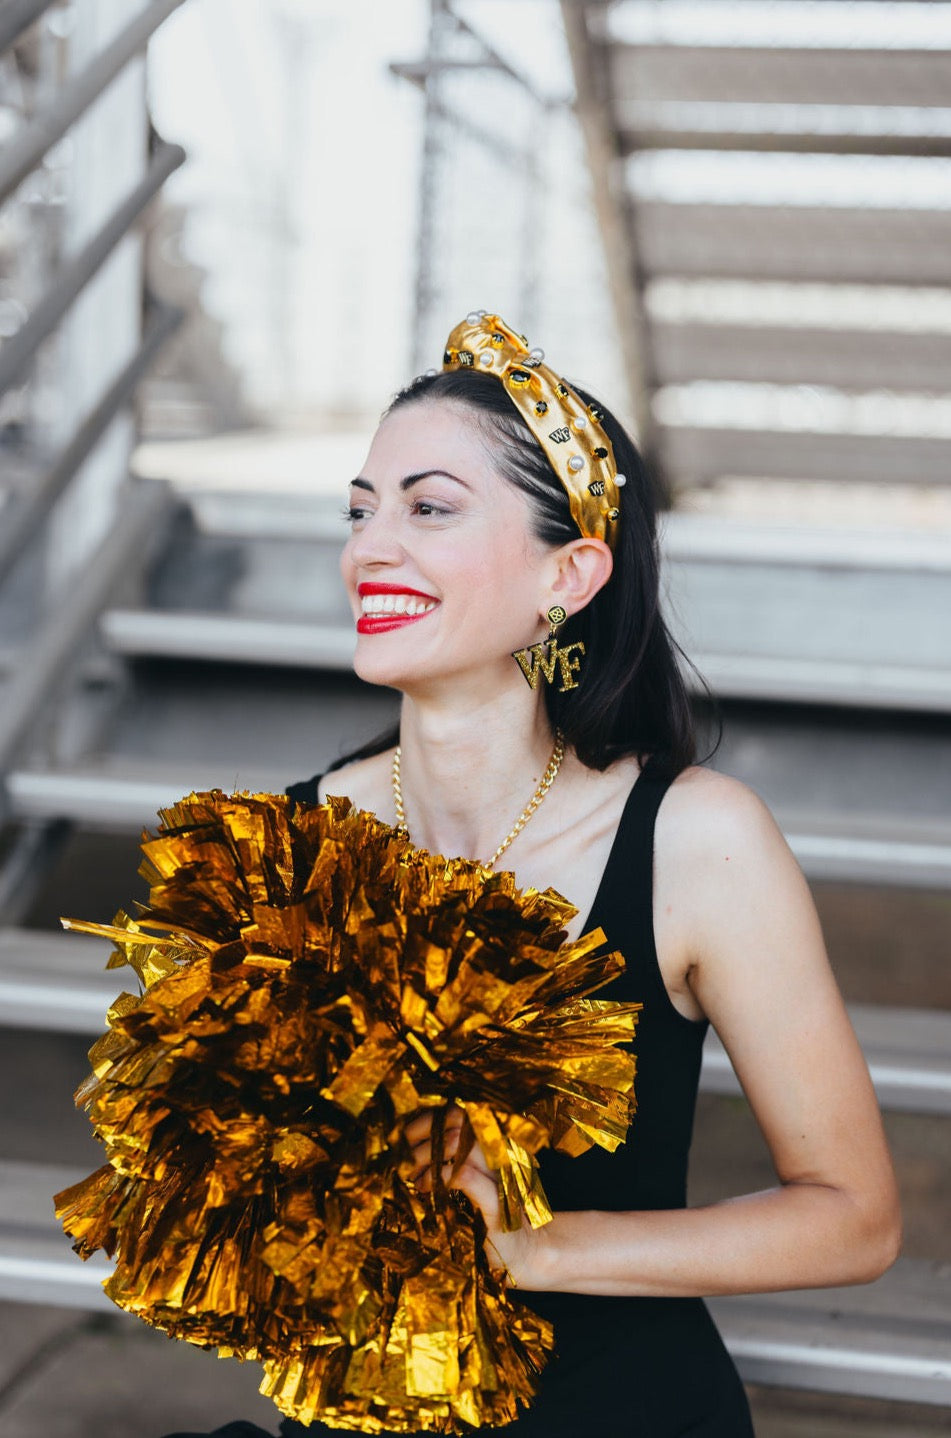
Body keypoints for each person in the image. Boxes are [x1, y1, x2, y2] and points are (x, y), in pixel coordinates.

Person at [167, 313, 901, 1438]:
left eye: (429, 507)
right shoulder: (297, 836)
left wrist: (542, 1245)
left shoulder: (698, 842)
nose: (371, 547)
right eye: (359, 509)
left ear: (570, 573)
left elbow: (855, 1219)